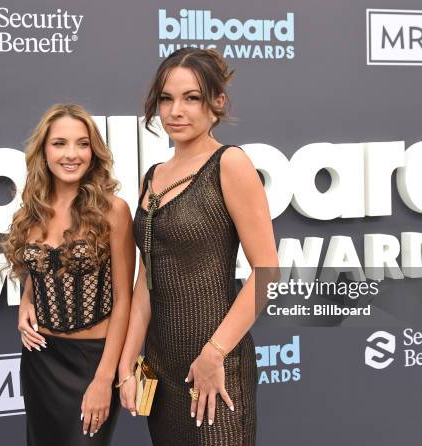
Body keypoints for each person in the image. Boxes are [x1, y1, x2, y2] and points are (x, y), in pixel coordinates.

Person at [117, 48, 278, 445]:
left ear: (217, 102)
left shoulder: (230, 163)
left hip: (216, 366)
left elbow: (267, 272)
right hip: (161, 364)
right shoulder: (152, 177)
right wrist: (126, 366)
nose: (176, 110)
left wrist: (214, 353)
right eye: (167, 98)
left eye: (191, 98)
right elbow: (145, 284)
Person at [0, 103, 135, 445]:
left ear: (94, 152)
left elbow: (124, 300)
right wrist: (26, 300)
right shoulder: (31, 211)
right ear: (43, 151)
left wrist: (105, 378)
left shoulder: (113, 211)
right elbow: (39, 265)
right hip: (40, 360)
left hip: (92, 361)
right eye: (59, 143)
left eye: (82, 143)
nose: (71, 154)